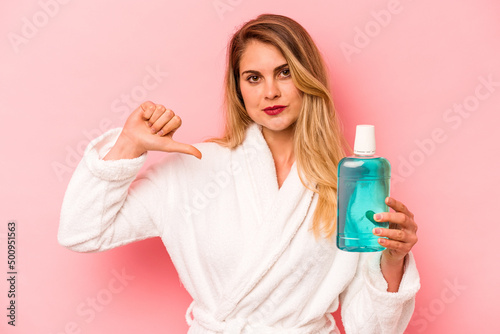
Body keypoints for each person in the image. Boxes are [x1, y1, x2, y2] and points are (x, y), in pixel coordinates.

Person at [59, 14, 420, 333]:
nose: (271, 91)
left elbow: (371, 329)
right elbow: (81, 231)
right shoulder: (195, 168)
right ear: (238, 89)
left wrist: (393, 258)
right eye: (253, 77)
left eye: (285, 72)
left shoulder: (350, 184)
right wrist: (128, 146)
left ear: (308, 78)